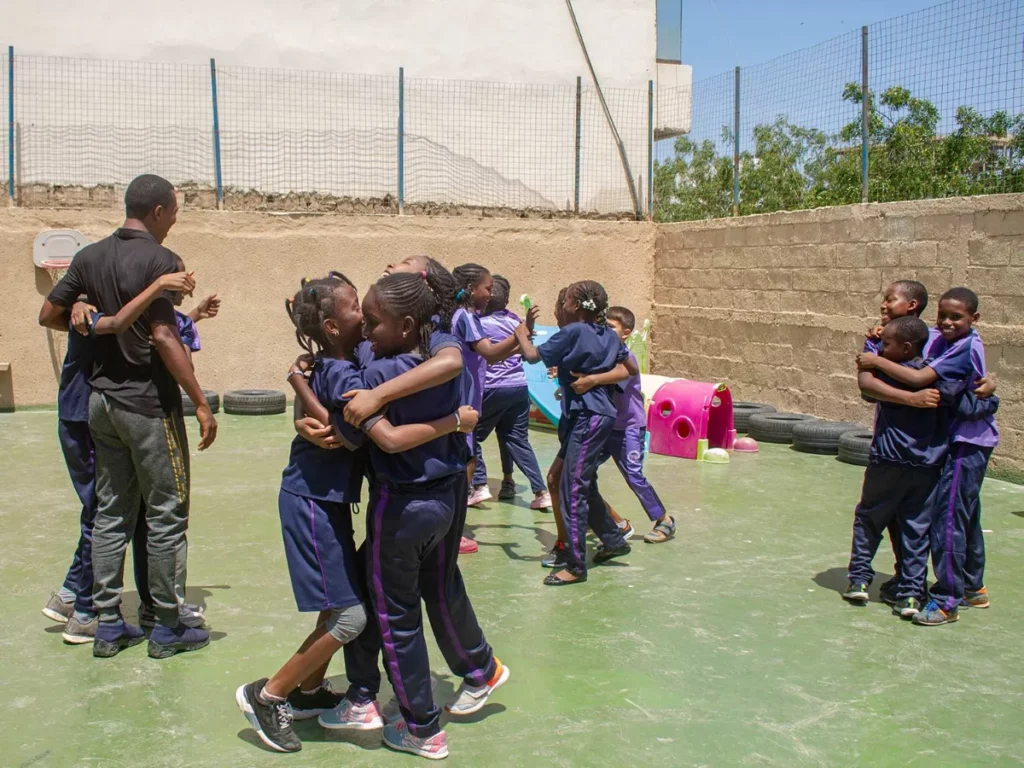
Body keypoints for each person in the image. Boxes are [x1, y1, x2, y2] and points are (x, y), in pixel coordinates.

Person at [235, 273, 479, 753]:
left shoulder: (368, 360)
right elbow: (350, 434)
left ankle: (310, 692)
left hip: (342, 500)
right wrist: (301, 386)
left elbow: (344, 414)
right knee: (351, 616)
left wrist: (300, 382)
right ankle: (269, 695)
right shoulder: (348, 372)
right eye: (357, 314)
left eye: (372, 318)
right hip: (313, 499)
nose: (366, 324)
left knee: (350, 598)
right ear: (331, 325)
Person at [38, 173, 217, 659]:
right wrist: (199, 401)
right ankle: (166, 626)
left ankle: (109, 624)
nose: (176, 217)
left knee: (113, 512)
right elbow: (163, 336)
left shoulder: (89, 256)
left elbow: (48, 316)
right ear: (158, 210)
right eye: (175, 210)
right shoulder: (162, 261)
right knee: (166, 514)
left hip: (101, 404)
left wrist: (78, 302)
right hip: (147, 406)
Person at [338, 272, 495, 760]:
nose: (365, 330)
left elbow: (370, 434)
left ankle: (421, 727)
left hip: (400, 507)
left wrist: (306, 374)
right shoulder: (439, 360)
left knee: (395, 615)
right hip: (446, 503)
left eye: (373, 322)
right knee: (425, 589)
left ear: (407, 324)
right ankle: (377, 691)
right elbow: (450, 365)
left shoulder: (376, 373)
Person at [42, 271, 196, 644]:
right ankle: (83, 607)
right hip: (90, 414)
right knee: (107, 511)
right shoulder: (99, 310)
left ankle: (103, 599)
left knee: (126, 511)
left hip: (93, 413)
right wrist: (202, 402)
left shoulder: (109, 306)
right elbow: (130, 327)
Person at [851, 316, 979, 617]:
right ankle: (910, 594)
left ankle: (858, 579)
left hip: (887, 461)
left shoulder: (886, 376)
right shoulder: (939, 378)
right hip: (927, 466)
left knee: (869, 519)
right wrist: (989, 393)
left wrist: (874, 359)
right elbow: (973, 405)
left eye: (887, 345)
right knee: (916, 529)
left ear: (905, 347)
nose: (881, 349)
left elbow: (866, 388)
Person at [515, 280, 635, 586]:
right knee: (572, 480)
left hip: (588, 418)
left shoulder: (573, 331)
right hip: (592, 417)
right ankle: (613, 539)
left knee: (573, 488)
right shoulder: (607, 335)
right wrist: (596, 377)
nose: (563, 306)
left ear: (578, 306)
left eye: (566, 301)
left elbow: (531, 356)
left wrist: (521, 334)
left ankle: (576, 564)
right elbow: (629, 367)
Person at [913, 288, 1000, 626]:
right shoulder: (941, 336)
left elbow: (948, 393)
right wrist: (880, 330)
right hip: (961, 438)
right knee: (964, 512)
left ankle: (947, 599)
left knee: (947, 517)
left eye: (957, 317)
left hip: (968, 442)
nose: (947, 322)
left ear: (973, 319)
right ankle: (972, 586)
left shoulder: (966, 347)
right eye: (943, 315)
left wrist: (991, 397)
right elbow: (918, 333)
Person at [593, 305, 674, 543]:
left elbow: (609, 382)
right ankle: (613, 521)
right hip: (606, 426)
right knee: (581, 471)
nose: (605, 331)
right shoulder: (603, 355)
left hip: (628, 428)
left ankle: (664, 520)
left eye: (610, 327)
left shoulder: (626, 359)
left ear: (626, 333)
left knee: (634, 475)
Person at [450, 264, 524, 515]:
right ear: (471, 289)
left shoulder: (461, 315)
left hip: (468, 396)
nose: (491, 294)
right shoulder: (468, 317)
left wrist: (518, 346)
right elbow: (490, 354)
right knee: (467, 458)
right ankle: (456, 523)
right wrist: (520, 334)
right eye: (488, 288)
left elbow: (490, 356)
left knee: (466, 455)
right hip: (465, 399)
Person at [472, 275, 550, 509]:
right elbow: (526, 341)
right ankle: (540, 491)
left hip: (492, 388)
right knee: (515, 439)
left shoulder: (477, 323)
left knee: (470, 435)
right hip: (518, 387)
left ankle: (479, 485)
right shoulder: (514, 320)